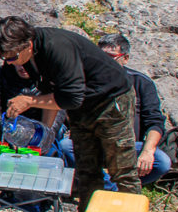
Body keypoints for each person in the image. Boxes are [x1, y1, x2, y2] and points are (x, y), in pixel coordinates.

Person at [0, 17, 139, 212]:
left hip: (111, 101)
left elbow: (71, 97)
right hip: (83, 109)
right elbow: (53, 93)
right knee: (87, 171)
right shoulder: (33, 56)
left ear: (27, 44)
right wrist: (45, 135)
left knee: (122, 169)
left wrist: (30, 101)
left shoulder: (58, 48)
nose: (9, 62)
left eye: (12, 57)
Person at [58, 34, 171, 188]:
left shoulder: (140, 82)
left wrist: (148, 151)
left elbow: (155, 121)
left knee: (162, 162)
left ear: (125, 58)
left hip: (127, 146)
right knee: (65, 146)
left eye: (111, 57)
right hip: (92, 144)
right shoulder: (84, 80)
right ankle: (112, 187)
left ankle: (104, 185)